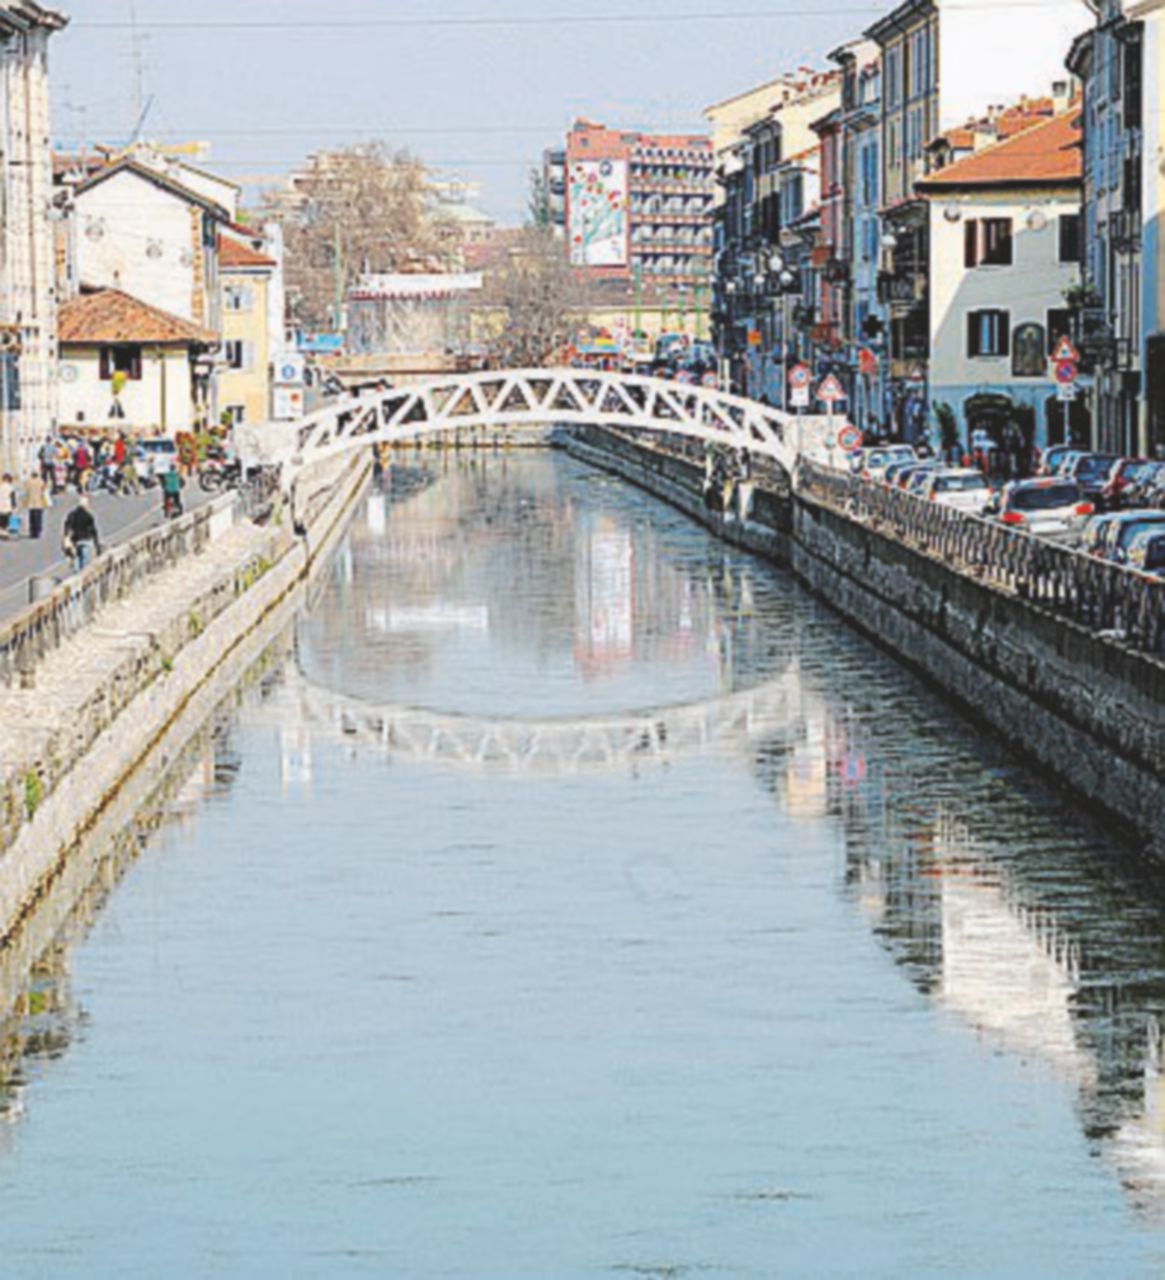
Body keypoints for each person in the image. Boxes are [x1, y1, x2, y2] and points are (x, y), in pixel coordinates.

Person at [63, 495, 100, 570]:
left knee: (76, 557)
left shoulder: (72, 515)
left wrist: (66, 537)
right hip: (85, 539)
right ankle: (83, 572)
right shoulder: (88, 516)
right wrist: (97, 545)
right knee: (85, 559)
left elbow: (67, 527)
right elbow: (93, 530)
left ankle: (77, 573)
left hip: (75, 540)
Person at [24, 471, 48, 541]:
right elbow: (44, 489)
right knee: (38, 518)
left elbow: (26, 490)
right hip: (39, 502)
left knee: (31, 518)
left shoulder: (28, 482)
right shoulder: (40, 482)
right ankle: (38, 531)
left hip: (31, 502)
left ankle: (32, 532)